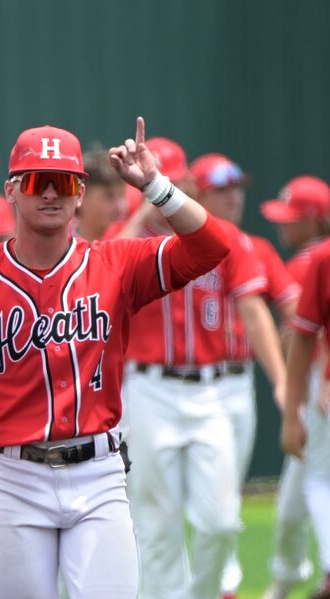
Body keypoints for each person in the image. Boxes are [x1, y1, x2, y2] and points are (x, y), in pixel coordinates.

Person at [0, 117, 231, 599]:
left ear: (80, 193)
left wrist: (155, 185)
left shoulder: (115, 264)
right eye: (36, 182)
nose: (50, 194)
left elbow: (212, 246)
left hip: (99, 471)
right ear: (11, 191)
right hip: (13, 478)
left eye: (63, 182)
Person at [118, 139, 287, 599]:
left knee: (220, 520)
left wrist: (282, 382)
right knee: (156, 519)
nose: (165, 185)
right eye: (154, 177)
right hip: (150, 387)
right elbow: (103, 273)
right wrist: (142, 209)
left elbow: (254, 310)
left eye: (172, 177)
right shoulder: (129, 238)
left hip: (212, 389)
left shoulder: (215, 233)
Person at [188, 153, 300, 599]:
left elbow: (296, 311)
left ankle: (222, 584)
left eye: (237, 187)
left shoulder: (254, 247)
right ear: (196, 193)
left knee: (223, 497)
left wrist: (290, 372)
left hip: (234, 381)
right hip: (174, 383)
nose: (234, 197)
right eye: (222, 189)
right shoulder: (173, 246)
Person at [263, 175, 330, 599]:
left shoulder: (311, 260)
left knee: (316, 482)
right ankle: (286, 582)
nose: (282, 225)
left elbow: (308, 334)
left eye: (292, 218)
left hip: (317, 388)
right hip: (312, 387)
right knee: (295, 497)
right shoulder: (309, 259)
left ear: (315, 220)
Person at [281, 233, 330, 599]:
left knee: (318, 481)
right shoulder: (322, 259)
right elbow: (305, 335)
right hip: (323, 391)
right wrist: (292, 414)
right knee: (318, 480)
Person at [74, 148, 128, 242]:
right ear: (81, 196)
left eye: (121, 195)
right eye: (109, 196)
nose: (120, 207)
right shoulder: (59, 244)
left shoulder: (132, 236)